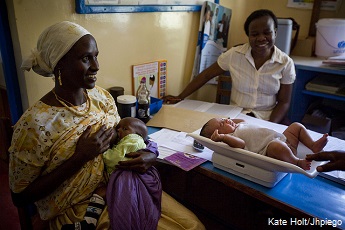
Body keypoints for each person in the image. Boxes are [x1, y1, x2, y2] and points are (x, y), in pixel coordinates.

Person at [9, 21, 205, 230]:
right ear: (59, 64)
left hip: (122, 185)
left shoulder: (102, 98)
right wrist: (79, 157)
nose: (96, 66)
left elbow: (126, 135)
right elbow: (20, 196)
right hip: (77, 210)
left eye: (96, 56)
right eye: (86, 58)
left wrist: (150, 152)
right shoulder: (34, 124)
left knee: (192, 226)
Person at [164, 9, 296, 124]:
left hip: (268, 118)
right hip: (235, 116)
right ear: (248, 36)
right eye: (255, 34)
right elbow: (206, 75)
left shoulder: (285, 63)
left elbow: (284, 102)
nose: (261, 38)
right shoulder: (234, 55)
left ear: (275, 33)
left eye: (267, 32)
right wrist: (180, 96)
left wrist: (270, 126)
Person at [200, 118, 328, 170]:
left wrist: (228, 122)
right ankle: (296, 162)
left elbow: (242, 119)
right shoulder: (231, 138)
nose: (227, 120)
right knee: (276, 146)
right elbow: (241, 144)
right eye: (222, 124)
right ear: (220, 134)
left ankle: (313, 145)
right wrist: (222, 137)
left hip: (283, 139)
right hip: (270, 149)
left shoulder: (238, 125)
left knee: (296, 126)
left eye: (224, 119)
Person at [103, 117, 161, 229]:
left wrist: (104, 153)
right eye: (118, 128)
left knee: (128, 200)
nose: (118, 130)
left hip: (131, 177)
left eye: (124, 128)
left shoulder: (132, 140)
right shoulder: (130, 141)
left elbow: (114, 159)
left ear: (137, 134)